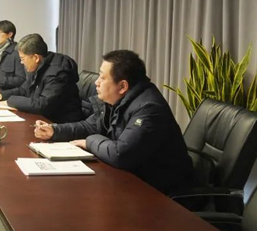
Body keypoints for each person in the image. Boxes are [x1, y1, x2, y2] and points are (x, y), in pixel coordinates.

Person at [33, 50, 194, 194]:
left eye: (102, 77)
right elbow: (90, 125)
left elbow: (121, 154)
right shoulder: (117, 100)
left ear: (122, 86)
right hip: (130, 181)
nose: (96, 82)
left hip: (161, 194)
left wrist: (88, 142)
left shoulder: (149, 109)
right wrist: (55, 130)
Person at [0, 33, 82, 123]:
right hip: (44, 119)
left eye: (22, 59)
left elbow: (43, 105)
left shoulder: (57, 73)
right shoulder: (39, 66)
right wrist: (2, 95)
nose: (21, 62)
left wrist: (10, 101)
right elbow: (24, 89)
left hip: (62, 124)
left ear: (36, 58)